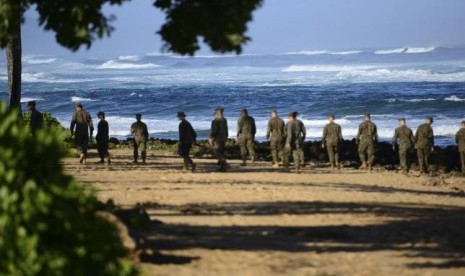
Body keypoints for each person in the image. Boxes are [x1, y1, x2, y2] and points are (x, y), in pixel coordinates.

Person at [209, 107, 229, 172]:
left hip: (218, 139)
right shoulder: (224, 120)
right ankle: (222, 166)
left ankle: (224, 164)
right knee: (221, 151)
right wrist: (226, 137)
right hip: (224, 138)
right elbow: (226, 130)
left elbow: (214, 131)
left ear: (217, 113)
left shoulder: (215, 121)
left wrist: (211, 138)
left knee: (216, 151)